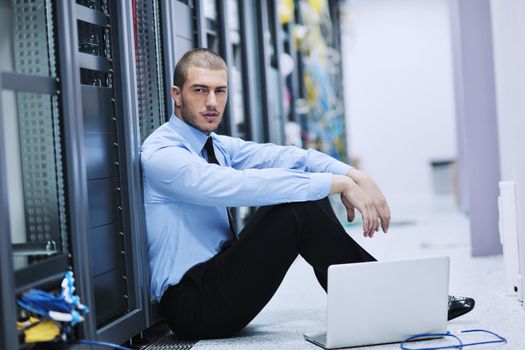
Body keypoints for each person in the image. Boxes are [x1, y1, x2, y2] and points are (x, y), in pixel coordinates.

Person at [140, 48, 474, 340]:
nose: (212, 102)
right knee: (299, 209)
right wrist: (335, 185)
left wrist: (351, 173)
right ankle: (395, 302)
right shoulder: (162, 154)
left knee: (306, 199)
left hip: (220, 276)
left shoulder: (216, 145)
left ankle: (384, 301)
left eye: (220, 91)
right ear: (177, 94)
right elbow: (240, 185)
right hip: (193, 305)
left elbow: (287, 157)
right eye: (200, 90)